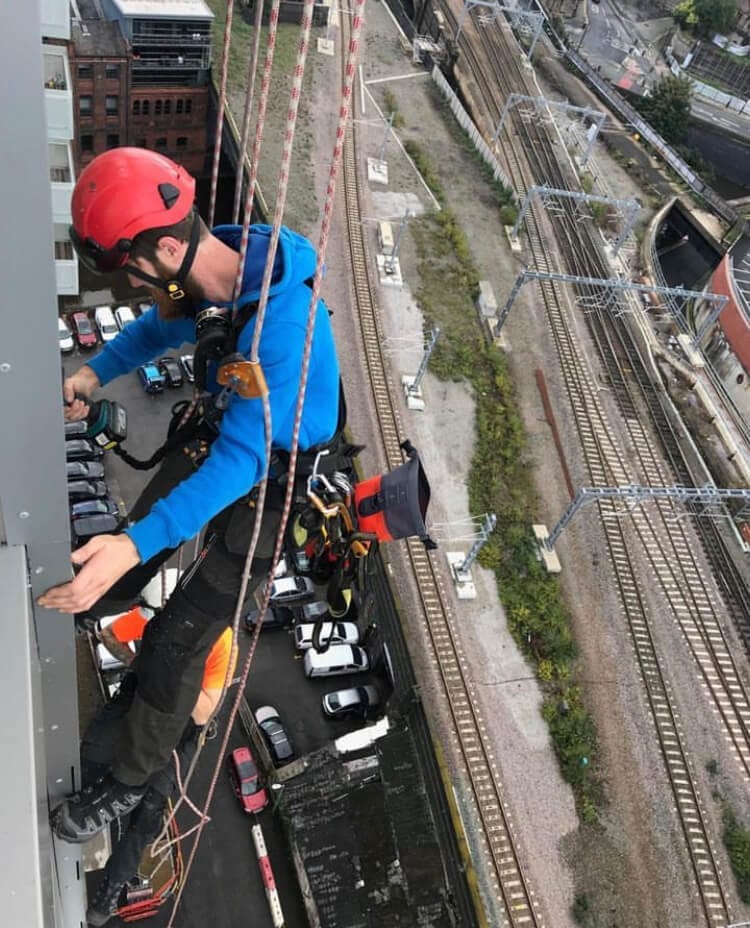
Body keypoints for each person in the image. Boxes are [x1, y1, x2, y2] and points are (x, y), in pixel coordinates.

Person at [41, 147, 341, 842]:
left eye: (134, 269)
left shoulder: (280, 327)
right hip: (226, 433)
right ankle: (97, 597)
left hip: (272, 480)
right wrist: (93, 372)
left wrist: (134, 543)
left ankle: (127, 781)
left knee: (180, 640)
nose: (134, 283)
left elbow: (243, 461)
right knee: (137, 538)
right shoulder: (207, 274)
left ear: (170, 247)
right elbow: (158, 326)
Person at [83, 607, 236, 927]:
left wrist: (170, 672)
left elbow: (202, 713)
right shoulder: (164, 615)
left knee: (148, 812)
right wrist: (141, 665)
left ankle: (111, 888)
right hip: (145, 695)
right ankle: (84, 802)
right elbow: (108, 635)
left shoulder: (221, 642)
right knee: (93, 754)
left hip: (181, 725)